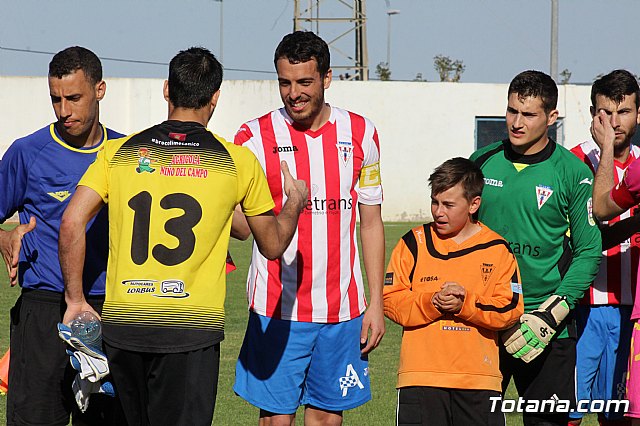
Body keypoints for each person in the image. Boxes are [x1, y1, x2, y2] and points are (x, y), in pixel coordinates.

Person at [58, 46, 307, 426]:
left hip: (126, 326)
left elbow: (72, 222)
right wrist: (294, 204)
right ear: (215, 97)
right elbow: (272, 246)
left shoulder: (118, 151)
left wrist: (74, 300)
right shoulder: (236, 161)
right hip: (190, 332)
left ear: (166, 91)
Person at [233, 30, 385, 425]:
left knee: (327, 419)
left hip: (342, 309)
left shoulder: (361, 133)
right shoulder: (252, 138)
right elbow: (239, 226)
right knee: (276, 419)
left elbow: (370, 222)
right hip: (276, 308)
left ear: (327, 78)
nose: (293, 93)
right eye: (285, 82)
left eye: (304, 82)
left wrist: (376, 303)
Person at [470, 70, 602, 425]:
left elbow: (589, 250)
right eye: (512, 111)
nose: (516, 122)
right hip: (485, 319)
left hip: (547, 323)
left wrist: (553, 312)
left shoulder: (574, 173)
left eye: (528, 114)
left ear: (551, 117)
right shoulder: (480, 162)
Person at [0, 46, 123, 426]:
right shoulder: (27, 152)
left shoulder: (125, 154)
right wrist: (3, 239)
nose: (64, 110)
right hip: (44, 309)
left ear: (99, 90)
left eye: (74, 98)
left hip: (109, 311)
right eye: (56, 99)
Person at [383, 157, 523, 426]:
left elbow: (510, 309)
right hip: (420, 377)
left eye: (448, 205)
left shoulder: (497, 249)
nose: (438, 212)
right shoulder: (413, 243)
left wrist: (464, 304)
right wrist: (432, 302)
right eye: (435, 202)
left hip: (479, 379)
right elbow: (391, 300)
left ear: (474, 204)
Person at [569, 69, 640, 425]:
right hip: (582, 308)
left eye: (624, 111)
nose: (614, 121)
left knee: (620, 413)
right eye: (605, 112)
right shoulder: (570, 162)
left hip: (633, 313)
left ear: (638, 114)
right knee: (566, 410)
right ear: (592, 113)